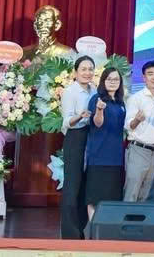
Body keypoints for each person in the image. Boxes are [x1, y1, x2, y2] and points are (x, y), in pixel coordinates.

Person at [59, 55, 95, 239]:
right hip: (75, 137)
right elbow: (66, 121)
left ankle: (81, 228)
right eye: (83, 69)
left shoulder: (94, 90)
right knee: (72, 186)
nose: (87, 73)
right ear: (75, 72)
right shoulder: (70, 92)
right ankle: (70, 233)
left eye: (90, 69)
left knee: (86, 186)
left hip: (91, 137)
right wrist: (80, 116)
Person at [85, 66, 126, 220]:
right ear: (103, 81)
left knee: (112, 197)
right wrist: (99, 110)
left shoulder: (120, 102)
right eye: (109, 79)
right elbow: (97, 123)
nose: (113, 82)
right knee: (95, 197)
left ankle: (106, 230)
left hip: (116, 158)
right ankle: (93, 229)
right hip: (99, 156)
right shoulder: (97, 99)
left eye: (116, 79)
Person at [124, 61, 154, 202]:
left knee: (147, 195)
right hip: (138, 150)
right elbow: (128, 126)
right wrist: (137, 120)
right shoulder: (136, 98)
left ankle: (141, 218)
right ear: (144, 77)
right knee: (132, 192)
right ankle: (127, 218)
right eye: (150, 74)